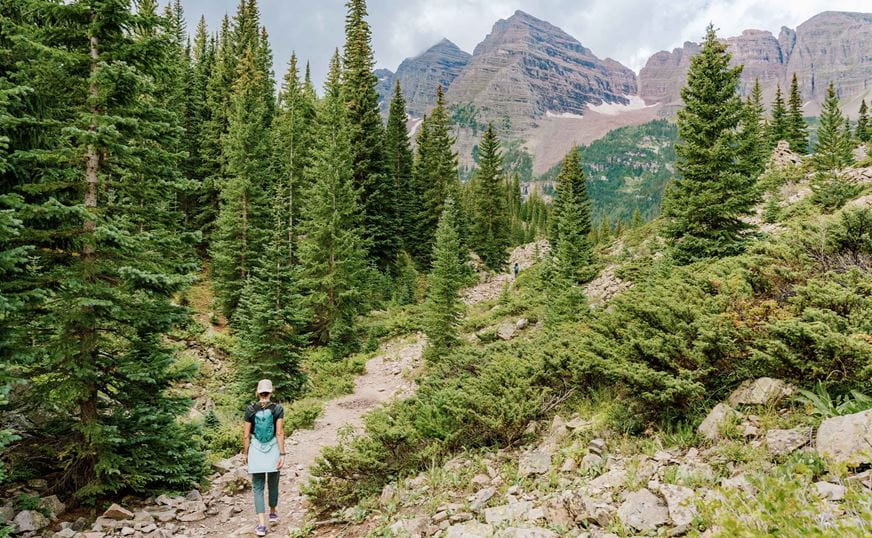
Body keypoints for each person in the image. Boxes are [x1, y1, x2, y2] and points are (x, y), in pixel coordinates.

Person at [243, 379, 285, 537]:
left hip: (256, 450)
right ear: (271, 392)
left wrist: (246, 453)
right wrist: (282, 453)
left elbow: (246, 435)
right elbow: (279, 433)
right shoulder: (278, 409)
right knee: (273, 484)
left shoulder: (249, 410)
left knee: (258, 488)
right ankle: (273, 513)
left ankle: (261, 525)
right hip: (273, 448)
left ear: (258, 392)